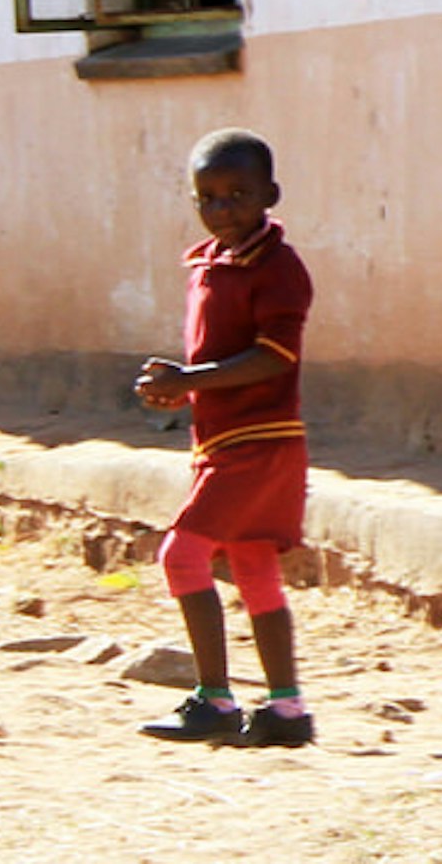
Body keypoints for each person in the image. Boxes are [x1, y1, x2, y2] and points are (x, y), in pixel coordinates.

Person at [132, 128, 316, 748]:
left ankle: (214, 699)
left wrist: (191, 380)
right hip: (225, 438)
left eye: (239, 194)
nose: (223, 209)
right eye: (208, 198)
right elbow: (216, 356)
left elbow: (273, 356)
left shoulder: (279, 267)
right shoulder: (209, 263)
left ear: (271, 193)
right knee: (252, 563)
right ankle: (286, 711)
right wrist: (183, 385)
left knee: (181, 556)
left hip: (261, 442)